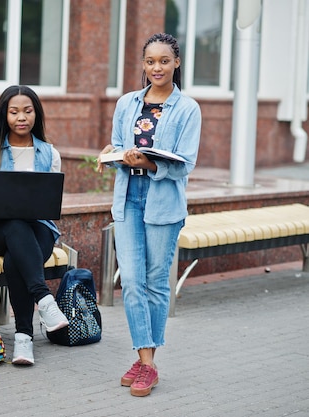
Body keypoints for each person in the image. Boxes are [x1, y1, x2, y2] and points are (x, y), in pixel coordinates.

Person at [96, 33, 201, 397]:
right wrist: (113, 154)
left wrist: (149, 162)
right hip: (128, 198)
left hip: (163, 200)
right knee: (131, 283)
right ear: (143, 65)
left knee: (156, 283)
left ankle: (146, 362)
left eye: (164, 61)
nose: (157, 67)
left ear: (176, 63)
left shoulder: (187, 108)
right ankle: (146, 361)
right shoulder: (126, 104)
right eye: (150, 61)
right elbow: (119, 146)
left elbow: (185, 163)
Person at [0, 85, 69, 366]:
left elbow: (52, 198)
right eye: (14, 112)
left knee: (17, 257)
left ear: (36, 114)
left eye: (27, 111)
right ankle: (44, 301)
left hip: (38, 229)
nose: (21, 117)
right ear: (5, 115)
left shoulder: (50, 153)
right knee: (13, 221)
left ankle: (24, 339)